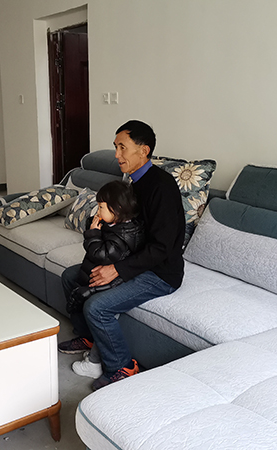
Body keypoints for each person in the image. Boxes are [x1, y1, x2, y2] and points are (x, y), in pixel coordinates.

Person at [58, 120, 186, 390]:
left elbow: (161, 247)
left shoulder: (161, 187)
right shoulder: (132, 182)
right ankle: (89, 337)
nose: (117, 155)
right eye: (115, 147)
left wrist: (117, 269)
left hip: (160, 272)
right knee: (71, 277)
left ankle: (122, 366)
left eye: (122, 147)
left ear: (144, 150)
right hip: (132, 259)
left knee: (97, 307)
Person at [66, 180, 145, 314]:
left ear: (117, 208)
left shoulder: (124, 235)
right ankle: (78, 323)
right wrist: (93, 225)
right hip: (93, 269)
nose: (98, 211)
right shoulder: (113, 223)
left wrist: (93, 234)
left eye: (101, 207)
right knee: (70, 281)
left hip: (106, 281)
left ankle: (82, 324)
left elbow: (101, 256)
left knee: (80, 298)